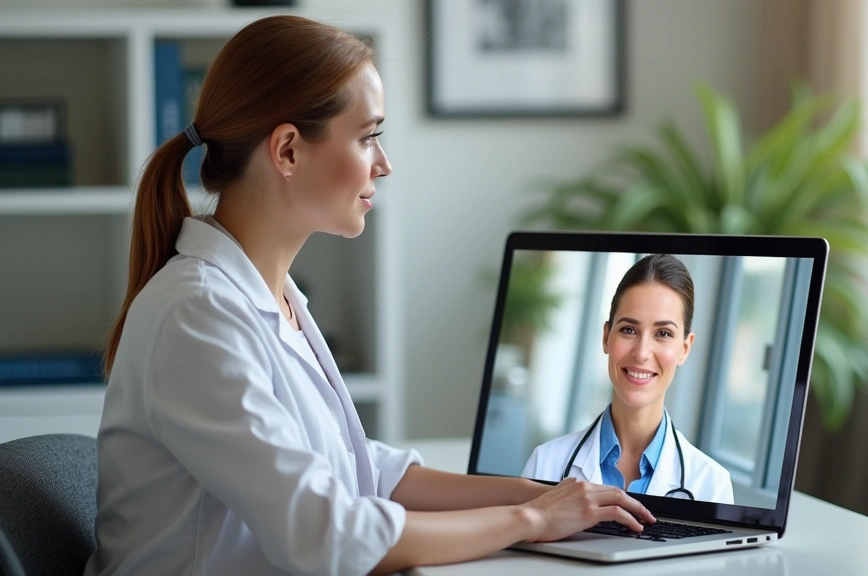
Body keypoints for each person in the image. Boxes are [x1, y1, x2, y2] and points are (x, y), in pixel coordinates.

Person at [83, 15, 656, 576]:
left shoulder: (275, 298)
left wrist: (553, 495)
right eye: (368, 137)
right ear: (286, 151)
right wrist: (528, 518)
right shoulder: (198, 313)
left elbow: (364, 473)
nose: (384, 164)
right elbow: (328, 537)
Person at [521, 254, 734, 505]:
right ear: (606, 337)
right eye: (629, 330)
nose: (642, 353)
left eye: (663, 333)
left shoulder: (710, 484)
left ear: (684, 349)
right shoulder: (546, 464)